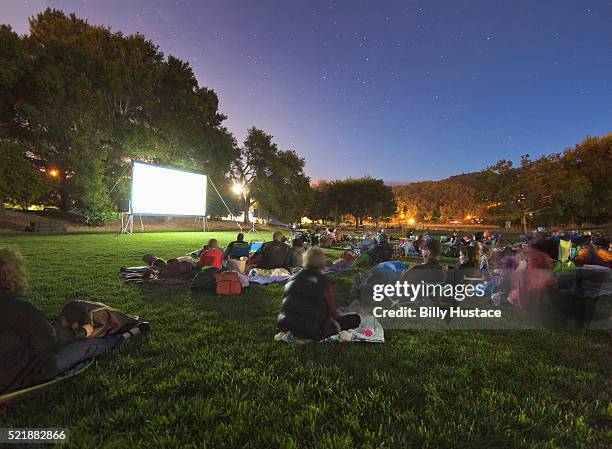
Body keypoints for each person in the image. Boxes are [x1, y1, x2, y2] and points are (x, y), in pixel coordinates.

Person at [0, 247, 149, 395]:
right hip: (23, 374)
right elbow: (50, 345)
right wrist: (82, 332)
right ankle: (123, 336)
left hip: (16, 359)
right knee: (85, 345)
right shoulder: (20, 306)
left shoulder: (16, 307)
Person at [277, 247, 361, 340]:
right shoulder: (323, 281)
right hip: (311, 331)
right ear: (322, 262)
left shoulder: (291, 279)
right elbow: (333, 312)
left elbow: (287, 305)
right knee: (355, 319)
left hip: (286, 325)